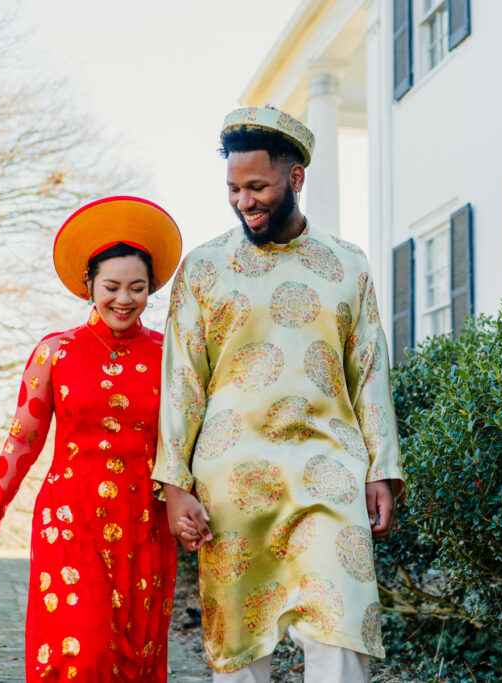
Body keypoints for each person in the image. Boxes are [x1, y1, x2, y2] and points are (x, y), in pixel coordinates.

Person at [153, 106, 405, 682]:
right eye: (234, 189)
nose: (245, 201)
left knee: (341, 634)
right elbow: (182, 381)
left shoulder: (349, 265)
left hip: (329, 473)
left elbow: (369, 372)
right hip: (232, 481)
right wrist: (174, 486)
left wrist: (380, 470)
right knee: (239, 648)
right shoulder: (204, 268)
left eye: (258, 186)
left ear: (295, 178)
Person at [0, 196, 182, 682]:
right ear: (89, 286)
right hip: (70, 519)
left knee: (138, 660)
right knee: (81, 654)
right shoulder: (55, 353)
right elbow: (23, 439)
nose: (123, 300)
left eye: (137, 288)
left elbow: (188, 438)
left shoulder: (171, 356)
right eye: (111, 286)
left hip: (145, 523)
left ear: (151, 290)